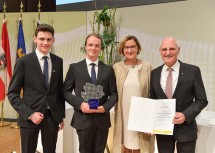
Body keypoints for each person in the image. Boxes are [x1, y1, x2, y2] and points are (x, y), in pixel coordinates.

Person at [8, 24, 65, 153]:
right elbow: (12, 93)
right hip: (29, 117)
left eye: (49, 39)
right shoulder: (23, 62)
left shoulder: (58, 61)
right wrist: (30, 114)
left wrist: (60, 116)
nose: (45, 42)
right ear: (35, 39)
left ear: (53, 40)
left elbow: (59, 91)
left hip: (52, 118)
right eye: (42, 39)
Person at [150, 36, 208, 153]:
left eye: (172, 49)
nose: (168, 53)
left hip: (186, 130)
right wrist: (149, 123)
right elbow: (152, 100)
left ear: (178, 50)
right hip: (163, 131)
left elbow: (202, 100)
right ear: (160, 51)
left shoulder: (193, 71)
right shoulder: (154, 74)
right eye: (164, 49)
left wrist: (185, 115)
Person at [63, 33, 118, 153]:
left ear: (100, 48)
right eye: (90, 45)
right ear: (85, 46)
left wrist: (104, 108)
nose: (93, 48)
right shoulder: (75, 68)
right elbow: (65, 92)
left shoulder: (108, 69)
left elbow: (114, 94)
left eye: (97, 45)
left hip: (102, 120)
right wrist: (80, 104)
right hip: (83, 119)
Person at [113, 35, 154, 153]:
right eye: (126, 47)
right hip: (123, 113)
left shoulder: (148, 67)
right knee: (125, 143)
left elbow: (153, 93)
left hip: (142, 115)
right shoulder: (116, 68)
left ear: (138, 48)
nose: (129, 50)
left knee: (140, 145)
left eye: (133, 47)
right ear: (122, 50)